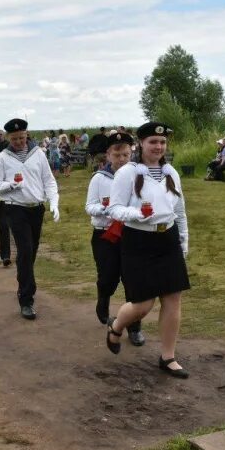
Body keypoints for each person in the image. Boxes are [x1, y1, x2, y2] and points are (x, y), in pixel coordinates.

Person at [104, 122, 190, 377]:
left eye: (162, 142)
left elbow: (180, 211)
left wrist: (183, 241)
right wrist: (138, 214)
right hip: (139, 241)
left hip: (168, 239)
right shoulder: (127, 173)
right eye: (153, 142)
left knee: (173, 298)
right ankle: (117, 326)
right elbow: (114, 209)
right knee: (143, 305)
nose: (159, 147)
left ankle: (168, 357)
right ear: (140, 144)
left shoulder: (171, 172)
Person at [0, 118, 60, 320]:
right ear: (9, 138)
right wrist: (11, 185)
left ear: (27, 135)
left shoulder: (38, 153)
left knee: (31, 252)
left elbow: (49, 180)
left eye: (22, 137)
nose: (19, 142)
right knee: (25, 249)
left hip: (36, 209)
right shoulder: (3, 157)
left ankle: (23, 282)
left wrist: (53, 202)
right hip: (15, 208)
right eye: (15, 138)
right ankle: (27, 299)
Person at [86, 131, 145, 346]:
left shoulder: (139, 176)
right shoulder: (99, 178)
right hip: (105, 235)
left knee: (134, 281)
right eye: (117, 155)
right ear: (108, 155)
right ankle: (103, 299)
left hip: (131, 234)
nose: (121, 159)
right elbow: (89, 207)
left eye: (126, 155)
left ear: (132, 154)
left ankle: (134, 327)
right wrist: (106, 208)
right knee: (108, 277)